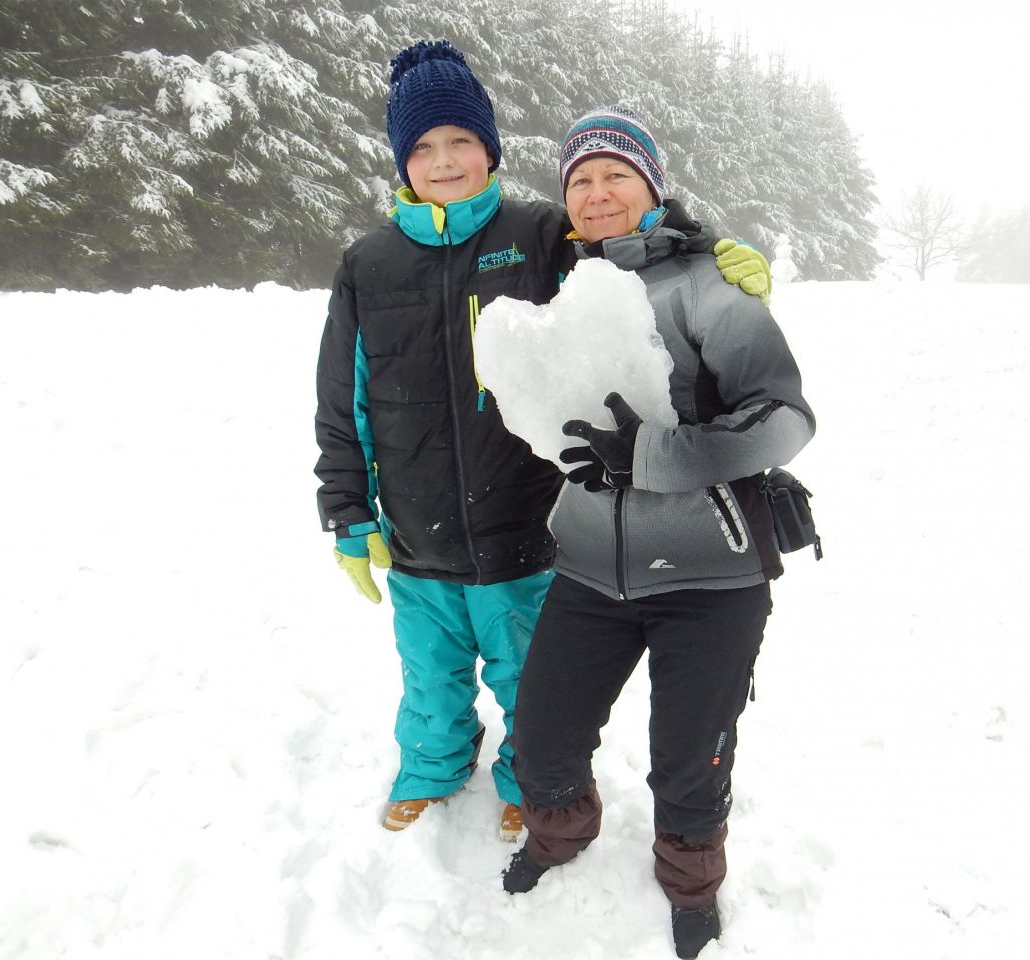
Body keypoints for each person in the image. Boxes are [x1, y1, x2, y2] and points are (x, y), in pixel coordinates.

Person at [314, 44, 774, 843]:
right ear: (402, 161)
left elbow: (628, 242)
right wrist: (347, 509)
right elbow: (340, 398)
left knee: (527, 673)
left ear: (490, 149)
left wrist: (708, 256)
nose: (444, 161)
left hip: (522, 520)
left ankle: (524, 777)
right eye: (423, 147)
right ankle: (431, 763)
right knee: (428, 670)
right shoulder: (369, 264)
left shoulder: (538, 232)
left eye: (461, 140)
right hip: (414, 522)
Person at [502, 106, 815, 959]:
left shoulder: (711, 285)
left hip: (711, 578)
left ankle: (690, 882)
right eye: (581, 179)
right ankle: (560, 836)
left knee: (689, 759)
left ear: (652, 187)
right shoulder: (564, 288)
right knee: (543, 737)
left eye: (617, 174)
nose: (598, 192)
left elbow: (785, 418)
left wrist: (652, 454)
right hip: (589, 570)